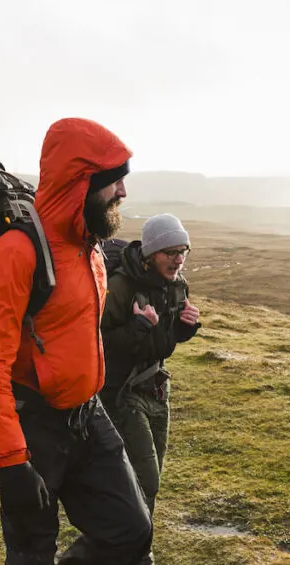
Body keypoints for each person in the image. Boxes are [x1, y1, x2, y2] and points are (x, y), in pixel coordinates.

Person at [0, 117, 152, 565]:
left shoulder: (91, 246)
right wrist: (10, 464)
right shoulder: (17, 251)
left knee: (131, 531)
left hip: (89, 414)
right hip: (36, 428)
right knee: (31, 553)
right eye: (111, 181)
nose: (122, 191)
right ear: (79, 183)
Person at [101, 213, 202, 522]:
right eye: (170, 252)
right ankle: (126, 542)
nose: (178, 260)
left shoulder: (177, 285)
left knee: (149, 477)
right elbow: (96, 341)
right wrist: (138, 326)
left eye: (182, 251)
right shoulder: (120, 286)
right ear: (150, 253)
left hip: (159, 390)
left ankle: (134, 544)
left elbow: (163, 341)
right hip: (124, 392)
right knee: (146, 479)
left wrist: (186, 328)